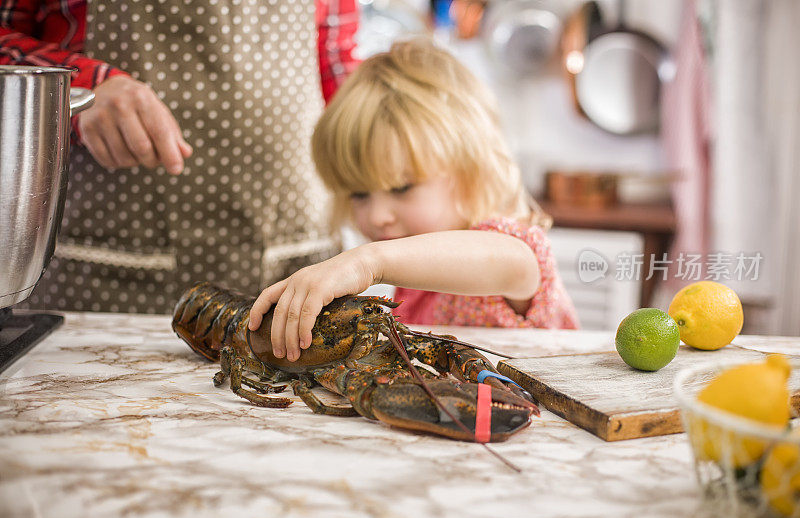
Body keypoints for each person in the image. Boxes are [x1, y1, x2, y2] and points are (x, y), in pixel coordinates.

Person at [0, 0, 359, 313]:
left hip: (292, 243)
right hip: (104, 255)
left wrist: (379, 179)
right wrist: (80, 85)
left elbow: (334, 59)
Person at [249, 39, 579, 362]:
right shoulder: (414, 281)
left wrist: (367, 262)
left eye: (402, 188)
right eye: (359, 194)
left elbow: (515, 261)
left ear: (472, 168)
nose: (377, 216)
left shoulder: (497, 248)